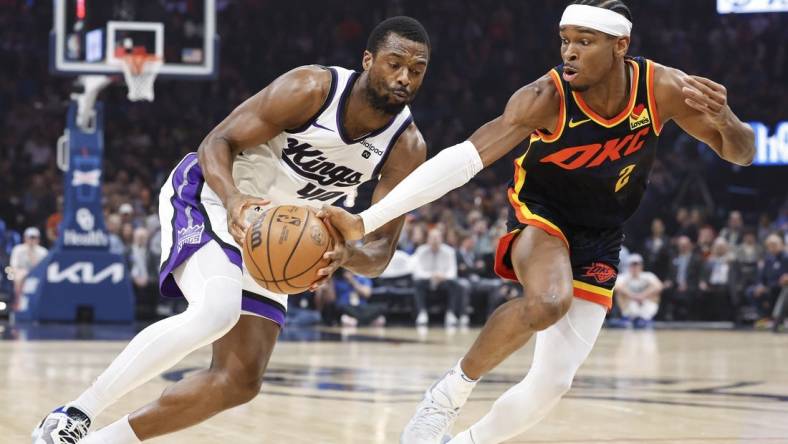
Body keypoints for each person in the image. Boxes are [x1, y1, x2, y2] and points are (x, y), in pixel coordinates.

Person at [320, 1, 755, 442]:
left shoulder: (662, 88)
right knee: (549, 301)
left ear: (620, 46)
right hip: (543, 215)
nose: (569, 52)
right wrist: (366, 219)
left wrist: (726, 118)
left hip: (603, 232)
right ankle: (445, 396)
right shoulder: (544, 97)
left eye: (584, 42)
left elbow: (742, 152)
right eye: (565, 41)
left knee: (553, 384)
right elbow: (464, 159)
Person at [33, 16, 431, 444]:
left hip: (280, 236)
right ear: (368, 60)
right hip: (216, 198)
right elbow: (216, 143)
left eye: (417, 69)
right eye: (394, 64)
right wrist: (234, 199)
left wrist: (345, 255)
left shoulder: (406, 148)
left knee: (239, 380)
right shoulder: (311, 89)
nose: (404, 77)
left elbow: (380, 253)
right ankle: (73, 415)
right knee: (215, 312)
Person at [411, 228, 464, 326]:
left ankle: (450, 313)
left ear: (442, 239)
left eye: (437, 237)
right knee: (418, 283)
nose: (435, 240)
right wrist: (432, 275)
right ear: (428, 239)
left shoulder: (450, 251)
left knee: (455, 283)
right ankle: (422, 313)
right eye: (432, 238)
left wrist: (442, 276)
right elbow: (417, 273)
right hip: (427, 281)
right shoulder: (420, 250)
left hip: (444, 281)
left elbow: (453, 272)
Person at [614, 253, 662, 328]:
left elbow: (659, 286)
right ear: (629, 266)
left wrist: (643, 295)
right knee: (620, 292)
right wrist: (633, 296)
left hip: (645, 304)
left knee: (655, 292)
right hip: (629, 306)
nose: (635, 267)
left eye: (637, 264)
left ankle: (645, 318)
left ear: (641, 266)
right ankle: (628, 317)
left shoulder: (648, 275)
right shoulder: (623, 277)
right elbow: (617, 287)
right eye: (633, 265)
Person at [10, 227, 48, 302]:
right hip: (21, 273)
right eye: (30, 237)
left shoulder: (43, 251)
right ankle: (18, 301)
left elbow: (43, 268)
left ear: (38, 239)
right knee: (18, 276)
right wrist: (23, 273)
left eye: (34, 238)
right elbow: (13, 265)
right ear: (25, 238)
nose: (32, 240)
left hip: (38, 274)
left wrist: (31, 253)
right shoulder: (18, 249)